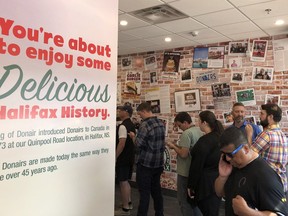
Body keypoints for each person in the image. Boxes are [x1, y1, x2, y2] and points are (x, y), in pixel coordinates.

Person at [215, 127, 288, 215]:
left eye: (230, 154)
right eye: (224, 154)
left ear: (245, 149)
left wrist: (247, 212)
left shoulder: (265, 176)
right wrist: (222, 177)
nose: (227, 158)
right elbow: (220, 193)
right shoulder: (234, 165)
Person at [129, 102, 166, 216]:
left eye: (140, 114)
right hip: (158, 163)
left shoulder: (145, 125)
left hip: (146, 164)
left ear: (144, 111)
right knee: (156, 191)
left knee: (144, 193)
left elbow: (138, 144)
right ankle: (159, 213)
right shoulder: (161, 123)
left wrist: (133, 137)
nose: (140, 117)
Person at [187, 110, 224, 216]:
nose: (198, 123)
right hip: (218, 180)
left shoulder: (205, 141)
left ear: (204, 123)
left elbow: (197, 165)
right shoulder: (220, 136)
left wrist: (191, 186)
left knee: (206, 210)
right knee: (213, 210)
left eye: (199, 120)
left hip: (205, 184)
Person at [246, 104, 288, 196]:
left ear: (270, 117)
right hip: (282, 184)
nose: (259, 116)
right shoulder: (284, 137)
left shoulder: (267, 135)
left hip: (268, 184)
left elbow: (249, 157)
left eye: (262, 113)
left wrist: (249, 135)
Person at [167, 112, 203, 216]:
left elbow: (183, 154)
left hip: (185, 171)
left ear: (186, 122)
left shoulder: (186, 133)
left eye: (180, 125)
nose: (179, 128)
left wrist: (173, 146)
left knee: (183, 200)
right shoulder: (199, 130)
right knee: (194, 200)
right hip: (194, 171)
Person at [115, 105, 136, 216]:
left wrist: (115, 156)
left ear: (126, 112)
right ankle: (129, 202)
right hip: (129, 158)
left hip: (123, 159)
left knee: (122, 182)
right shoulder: (131, 125)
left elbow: (121, 143)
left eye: (121, 110)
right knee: (126, 181)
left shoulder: (123, 126)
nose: (119, 111)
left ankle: (125, 207)